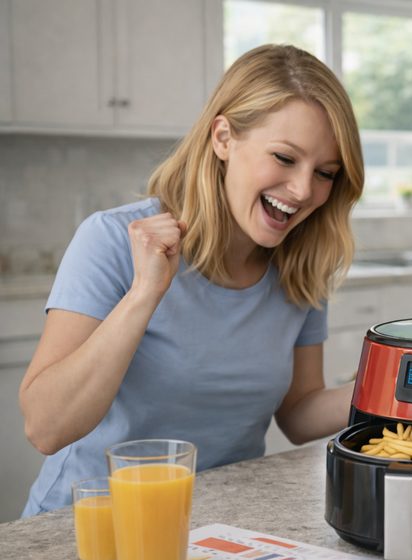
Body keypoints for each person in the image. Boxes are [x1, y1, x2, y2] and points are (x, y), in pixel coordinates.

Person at [19, 44, 364, 516]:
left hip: (222, 530)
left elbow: (299, 413)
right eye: (285, 158)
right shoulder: (112, 240)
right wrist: (145, 294)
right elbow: (46, 427)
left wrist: (395, 381)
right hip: (89, 529)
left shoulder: (301, 265)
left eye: (325, 173)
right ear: (223, 138)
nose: (304, 190)